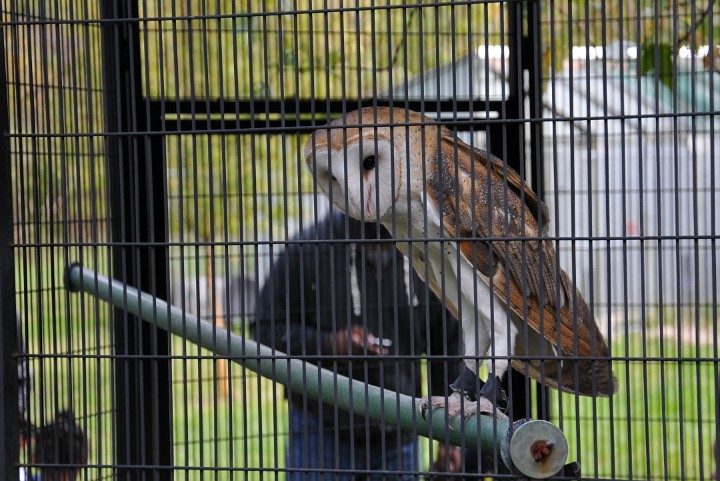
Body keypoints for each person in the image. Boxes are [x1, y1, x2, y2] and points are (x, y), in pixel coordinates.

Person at [253, 211, 466, 481]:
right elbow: (265, 328)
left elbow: (446, 347)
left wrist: (450, 435)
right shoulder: (308, 248)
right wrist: (329, 345)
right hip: (321, 429)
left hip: (399, 434)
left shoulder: (425, 254)